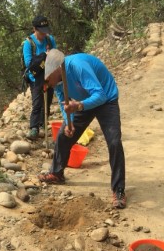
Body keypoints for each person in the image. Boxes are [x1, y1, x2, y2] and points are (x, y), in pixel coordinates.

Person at [38, 49, 127, 209]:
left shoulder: (78, 66)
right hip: (82, 102)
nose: (47, 85)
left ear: (54, 70)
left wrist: (79, 105)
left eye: (46, 81)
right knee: (63, 136)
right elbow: (62, 101)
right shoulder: (57, 79)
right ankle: (57, 173)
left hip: (106, 99)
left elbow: (100, 96)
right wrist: (69, 122)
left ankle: (118, 190)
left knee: (114, 142)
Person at [22, 15, 57, 140]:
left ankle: (43, 125)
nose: (44, 34)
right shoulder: (28, 43)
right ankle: (34, 128)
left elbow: (56, 55)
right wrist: (43, 56)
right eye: (41, 31)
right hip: (35, 78)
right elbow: (29, 63)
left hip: (49, 76)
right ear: (34, 29)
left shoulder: (50, 40)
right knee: (37, 103)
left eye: (45, 31)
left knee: (47, 103)